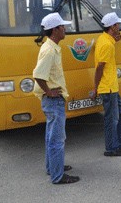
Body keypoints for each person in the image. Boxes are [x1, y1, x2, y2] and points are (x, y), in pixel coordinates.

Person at [33, 13, 80, 185]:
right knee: (57, 139)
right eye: (62, 27)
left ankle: (52, 167)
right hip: (53, 100)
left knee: (51, 137)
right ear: (55, 30)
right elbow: (38, 75)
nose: (65, 29)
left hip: (53, 100)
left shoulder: (51, 47)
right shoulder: (49, 50)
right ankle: (57, 175)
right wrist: (49, 91)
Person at [92, 12, 121, 157]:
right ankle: (111, 148)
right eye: (117, 24)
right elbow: (99, 67)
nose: (119, 26)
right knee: (111, 119)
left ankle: (119, 143)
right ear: (112, 27)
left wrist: (116, 40)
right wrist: (96, 88)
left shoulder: (104, 39)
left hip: (112, 86)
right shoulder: (107, 44)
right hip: (108, 88)